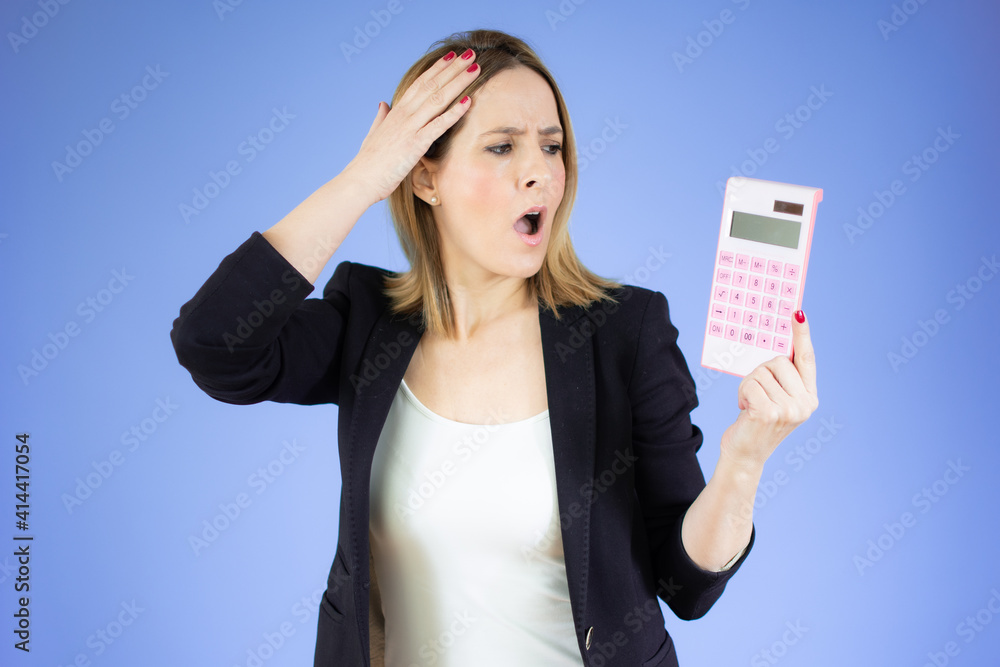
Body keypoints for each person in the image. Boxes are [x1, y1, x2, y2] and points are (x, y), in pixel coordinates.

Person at [170, 29, 819, 667]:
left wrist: (745, 460)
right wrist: (364, 178)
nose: (537, 172)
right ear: (425, 175)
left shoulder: (626, 332)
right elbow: (215, 343)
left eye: (552, 146)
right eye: (502, 147)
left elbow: (687, 585)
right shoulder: (367, 324)